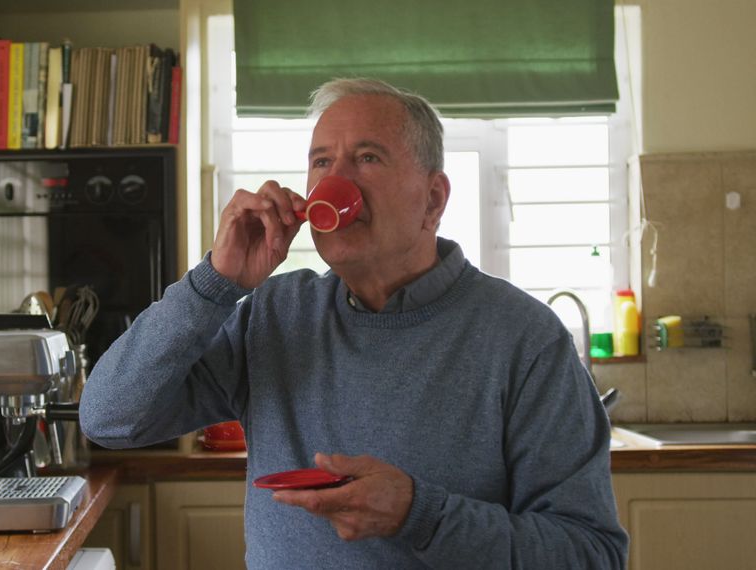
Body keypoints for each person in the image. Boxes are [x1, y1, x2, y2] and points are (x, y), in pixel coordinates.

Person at [79, 78, 628, 568]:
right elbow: (108, 419)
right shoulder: (274, 315)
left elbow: (591, 554)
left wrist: (421, 514)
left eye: (366, 158)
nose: (335, 183)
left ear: (433, 199)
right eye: (321, 162)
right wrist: (215, 282)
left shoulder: (525, 338)